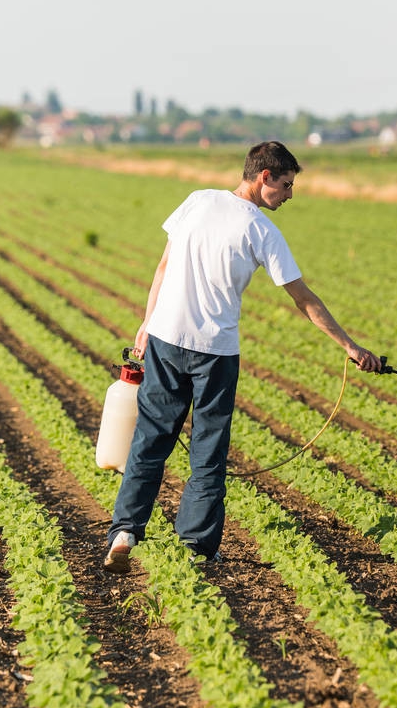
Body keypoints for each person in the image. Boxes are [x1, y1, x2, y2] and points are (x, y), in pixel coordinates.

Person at [104, 141, 382, 574]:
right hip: (214, 352)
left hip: (164, 338)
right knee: (208, 451)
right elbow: (303, 299)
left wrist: (145, 323)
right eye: (286, 185)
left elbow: (163, 266)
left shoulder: (197, 201)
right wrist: (350, 346)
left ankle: (124, 531)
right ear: (264, 176)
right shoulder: (262, 230)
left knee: (151, 440)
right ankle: (196, 546)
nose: (289, 195)